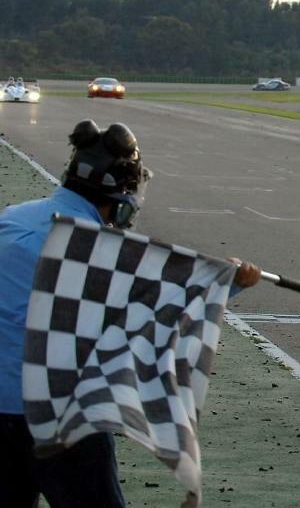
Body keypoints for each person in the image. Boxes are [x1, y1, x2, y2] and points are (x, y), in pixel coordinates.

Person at [0, 119, 262, 508]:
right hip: (63, 419)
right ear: (121, 196)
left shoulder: (10, 220)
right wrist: (232, 279)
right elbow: (166, 310)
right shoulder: (102, 252)